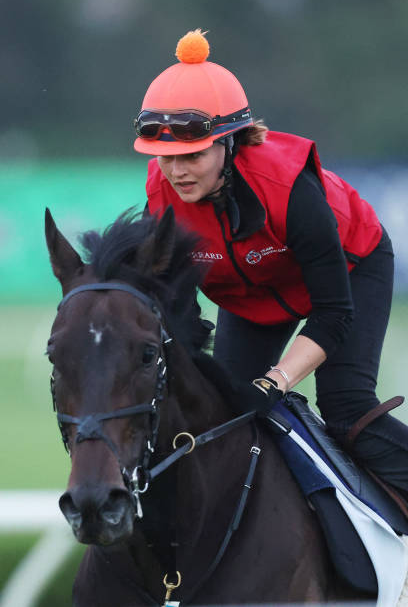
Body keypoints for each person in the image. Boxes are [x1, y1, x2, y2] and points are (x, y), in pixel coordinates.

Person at [133, 29, 408, 500]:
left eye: (193, 155)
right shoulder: (161, 199)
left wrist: (275, 379)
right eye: (165, 157)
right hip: (255, 294)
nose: (176, 172)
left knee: (345, 411)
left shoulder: (290, 189)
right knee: (225, 417)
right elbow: (167, 308)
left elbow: (334, 314)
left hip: (351, 269)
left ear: (230, 143)